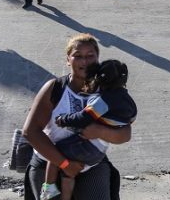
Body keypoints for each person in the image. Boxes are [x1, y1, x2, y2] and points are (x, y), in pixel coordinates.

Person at [23, 34, 132, 200]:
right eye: (78, 56)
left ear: (98, 59)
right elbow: (30, 132)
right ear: (68, 60)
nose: (84, 61)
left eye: (90, 56)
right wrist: (65, 164)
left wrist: (99, 131)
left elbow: (125, 134)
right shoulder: (55, 88)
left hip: (90, 166)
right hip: (48, 164)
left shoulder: (108, 91)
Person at [41, 59, 137, 200]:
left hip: (88, 147)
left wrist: (64, 119)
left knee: (55, 153)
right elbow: (130, 121)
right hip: (99, 152)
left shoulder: (103, 101)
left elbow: (83, 118)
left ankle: (48, 188)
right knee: (68, 174)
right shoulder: (128, 101)